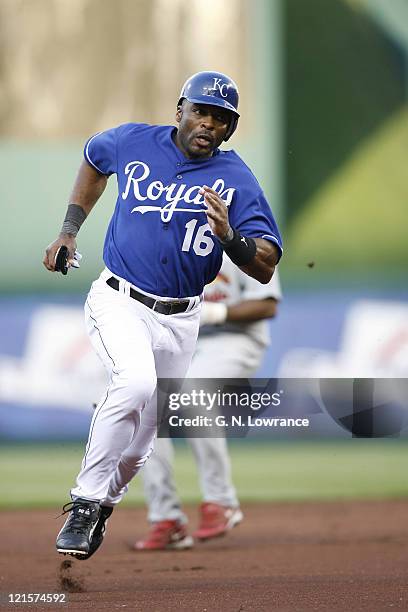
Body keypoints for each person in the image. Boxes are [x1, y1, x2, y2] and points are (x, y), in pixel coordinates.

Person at [43, 70, 283, 560]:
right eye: (201, 111)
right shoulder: (133, 141)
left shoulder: (236, 179)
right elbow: (93, 158)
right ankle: (85, 502)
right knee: (132, 385)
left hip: (182, 319)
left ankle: (104, 508)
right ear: (180, 110)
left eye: (222, 119)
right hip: (120, 298)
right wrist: (69, 229)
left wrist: (230, 237)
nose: (209, 124)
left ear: (229, 129)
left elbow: (265, 265)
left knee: (145, 438)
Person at [135, 258, 282, 550]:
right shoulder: (167, 236)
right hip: (182, 341)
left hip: (237, 339)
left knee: (193, 391)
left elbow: (267, 305)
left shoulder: (246, 234)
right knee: (142, 403)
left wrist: (210, 313)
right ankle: (166, 518)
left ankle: (221, 501)